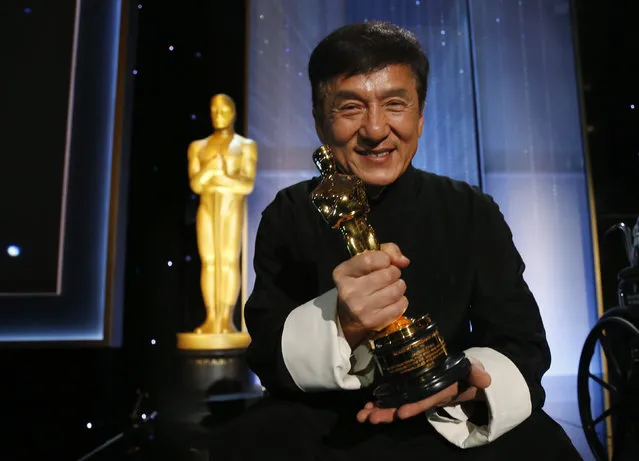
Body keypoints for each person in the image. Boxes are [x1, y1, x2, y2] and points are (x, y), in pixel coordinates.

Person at [209, 22, 581, 460]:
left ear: (420, 116)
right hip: (324, 422)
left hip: (453, 418)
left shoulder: (470, 209)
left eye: (394, 104)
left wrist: (466, 380)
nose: (375, 128)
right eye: (350, 107)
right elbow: (269, 354)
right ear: (318, 119)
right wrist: (343, 324)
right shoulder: (289, 213)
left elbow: (522, 342)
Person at [187, 94, 257, 334]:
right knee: (209, 262)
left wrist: (224, 175)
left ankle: (226, 318)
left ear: (233, 112)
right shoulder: (199, 146)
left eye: (224, 109)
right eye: (214, 110)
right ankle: (211, 318)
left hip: (230, 205)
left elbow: (246, 185)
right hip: (207, 206)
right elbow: (196, 184)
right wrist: (210, 169)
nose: (218, 115)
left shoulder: (245, 146)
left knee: (227, 261)